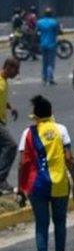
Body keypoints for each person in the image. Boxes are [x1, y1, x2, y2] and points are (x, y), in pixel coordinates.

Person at [16, 95, 74, 251]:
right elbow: (69, 159)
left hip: (37, 185)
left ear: (35, 116)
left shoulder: (28, 133)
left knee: (41, 225)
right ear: (51, 113)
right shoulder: (61, 129)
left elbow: (22, 164)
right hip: (59, 184)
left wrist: (21, 189)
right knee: (60, 222)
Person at [0, 58, 20, 194]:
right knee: (11, 145)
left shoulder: (4, 82)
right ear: (8, 67)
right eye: (16, 70)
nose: (17, 73)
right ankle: (1, 181)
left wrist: (10, 107)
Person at [36, 8, 61, 86]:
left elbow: (37, 31)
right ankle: (50, 79)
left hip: (43, 44)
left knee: (44, 62)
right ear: (51, 14)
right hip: (52, 44)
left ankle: (44, 78)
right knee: (50, 63)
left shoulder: (39, 22)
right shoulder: (54, 22)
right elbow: (57, 32)